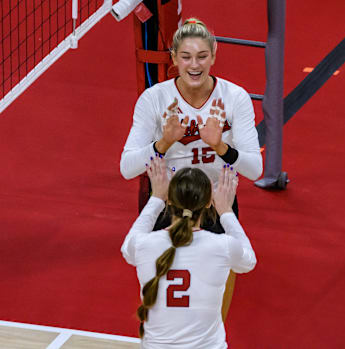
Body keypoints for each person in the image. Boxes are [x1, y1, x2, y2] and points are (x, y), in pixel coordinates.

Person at [120, 17, 262, 322]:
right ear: (173, 58)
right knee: (162, 299)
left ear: (214, 55)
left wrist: (221, 147)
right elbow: (127, 167)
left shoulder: (234, 98)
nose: (194, 65)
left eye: (201, 56)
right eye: (185, 57)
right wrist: (163, 142)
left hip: (216, 205)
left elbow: (254, 169)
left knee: (214, 292)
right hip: (166, 204)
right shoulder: (154, 98)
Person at [121, 157, 256, 348]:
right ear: (209, 202)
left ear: (169, 200)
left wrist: (156, 198)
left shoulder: (144, 244)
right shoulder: (222, 246)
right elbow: (249, 261)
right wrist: (226, 211)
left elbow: (127, 248)